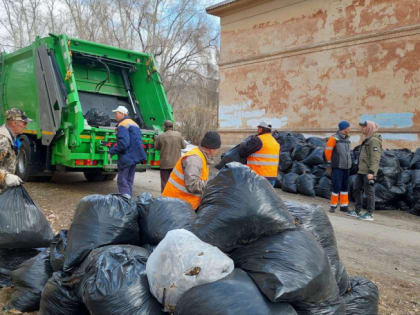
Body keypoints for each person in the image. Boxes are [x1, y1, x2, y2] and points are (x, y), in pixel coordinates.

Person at [162, 131, 221, 210]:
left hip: (182, 204)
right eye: (217, 149)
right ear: (212, 149)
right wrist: (213, 184)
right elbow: (192, 185)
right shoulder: (195, 159)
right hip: (175, 205)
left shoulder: (201, 157)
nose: (217, 152)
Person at [347, 120, 382, 221]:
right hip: (361, 171)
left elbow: (375, 158)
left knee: (369, 192)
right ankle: (357, 210)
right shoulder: (368, 139)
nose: (361, 129)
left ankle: (369, 214)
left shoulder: (374, 140)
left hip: (368, 171)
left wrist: (372, 172)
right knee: (356, 189)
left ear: (369, 128)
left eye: (363, 127)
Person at [109, 105, 146, 197]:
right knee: (129, 180)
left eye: (116, 113)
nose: (115, 115)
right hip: (134, 157)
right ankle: (129, 201)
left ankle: (125, 202)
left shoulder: (122, 125)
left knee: (122, 180)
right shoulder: (134, 124)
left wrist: (112, 151)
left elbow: (123, 143)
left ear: (122, 114)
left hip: (126, 157)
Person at [0, 108, 33, 191]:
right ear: (14, 123)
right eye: (24, 123)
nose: (26, 126)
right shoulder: (3, 140)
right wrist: (5, 177)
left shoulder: (12, 139)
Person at [238, 121, 280, 186]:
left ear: (261, 129)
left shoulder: (258, 140)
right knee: (267, 196)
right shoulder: (275, 142)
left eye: (258, 128)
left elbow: (242, 153)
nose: (257, 130)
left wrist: (243, 144)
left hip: (258, 176)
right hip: (272, 177)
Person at [324, 121, 352, 213]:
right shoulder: (334, 138)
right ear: (344, 128)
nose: (350, 129)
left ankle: (344, 206)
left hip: (347, 166)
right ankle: (333, 205)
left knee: (345, 187)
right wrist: (329, 163)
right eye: (348, 127)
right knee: (336, 186)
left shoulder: (348, 139)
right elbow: (328, 151)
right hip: (337, 166)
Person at [154, 120, 186, 192]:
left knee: (164, 182)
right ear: (172, 127)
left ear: (165, 127)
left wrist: (156, 139)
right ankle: (173, 197)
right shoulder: (178, 135)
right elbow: (184, 146)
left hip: (165, 163)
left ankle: (165, 197)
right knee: (174, 182)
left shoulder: (161, 136)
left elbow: (156, 147)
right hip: (176, 164)